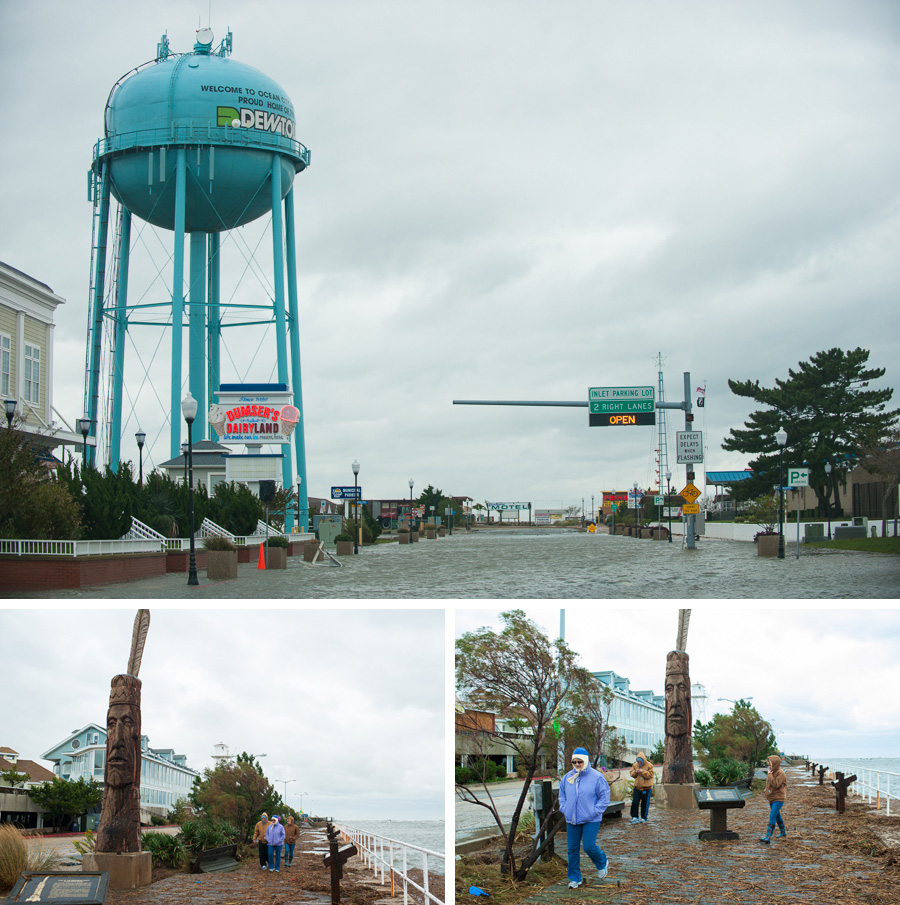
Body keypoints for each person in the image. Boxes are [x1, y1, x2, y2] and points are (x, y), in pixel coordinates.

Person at [558, 747, 611, 888]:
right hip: (572, 819)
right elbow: (562, 795)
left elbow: (604, 797)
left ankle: (601, 862)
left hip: (591, 819)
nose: (577, 764)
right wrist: (564, 808)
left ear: (586, 761)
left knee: (588, 846)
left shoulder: (597, 777)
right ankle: (575, 878)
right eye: (574, 762)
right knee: (572, 849)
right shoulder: (567, 777)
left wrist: (594, 811)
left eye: (579, 761)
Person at [759, 755, 787, 844]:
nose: (769, 766)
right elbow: (768, 784)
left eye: (770, 764)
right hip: (771, 797)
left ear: (775, 764)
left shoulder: (780, 773)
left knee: (772, 816)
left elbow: (776, 784)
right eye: (768, 764)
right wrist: (766, 792)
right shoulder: (771, 771)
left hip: (778, 798)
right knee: (777, 815)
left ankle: (768, 836)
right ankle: (783, 832)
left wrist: (770, 775)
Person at [629, 752, 654, 824]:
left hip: (646, 788)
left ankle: (644, 818)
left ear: (643, 760)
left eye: (640, 761)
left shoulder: (649, 765)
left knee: (645, 804)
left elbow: (650, 775)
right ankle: (634, 817)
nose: (639, 763)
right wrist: (636, 772)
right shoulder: (635, 765)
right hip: (637, 788)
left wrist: (642, 772)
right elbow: (632, 774)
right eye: (638, 761)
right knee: (635, 802)